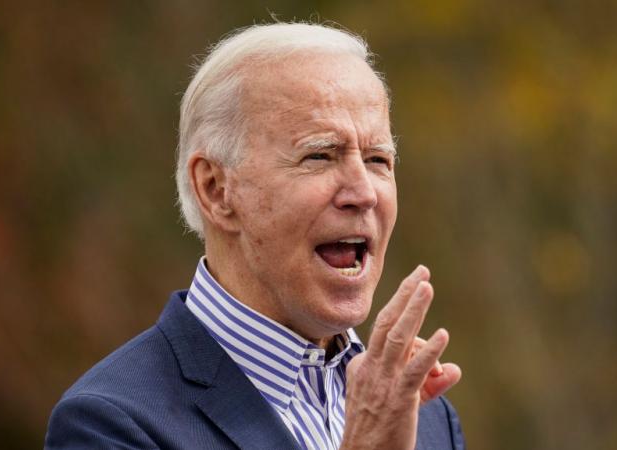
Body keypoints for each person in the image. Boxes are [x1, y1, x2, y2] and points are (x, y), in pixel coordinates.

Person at [45, 22, 464, 450]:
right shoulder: (109, 425)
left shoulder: (425, 416)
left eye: (378, 159)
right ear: (216, 189)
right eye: (319, 155)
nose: (363, 193)